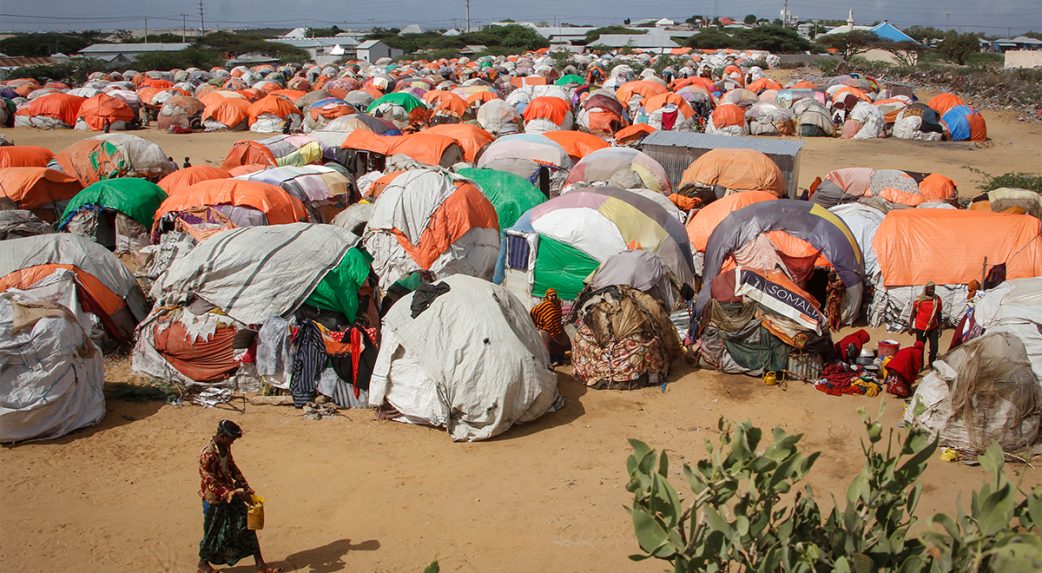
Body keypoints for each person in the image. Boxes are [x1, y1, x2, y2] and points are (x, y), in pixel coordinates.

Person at [198, 420, 280, 573]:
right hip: (215, 500)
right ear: (222, 436)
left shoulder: (224, 447)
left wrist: (246, 487)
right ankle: (203, 564)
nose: (232, 443)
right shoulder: (207, 455)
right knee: (212, 534)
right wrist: (232, 493)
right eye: (231, 439)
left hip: (231, 495)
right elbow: (209, 481)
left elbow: (233, 468)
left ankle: (260, 565)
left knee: (248, 526)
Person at [530, 288, 570, 366]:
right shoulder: (545, 305)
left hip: (557, 328)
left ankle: (560, 360)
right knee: (549, 346)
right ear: (547, 296)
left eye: (554, 295)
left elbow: (558, 315)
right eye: (551, 295)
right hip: (546, 329)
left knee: (559, 345)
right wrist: (539, 322)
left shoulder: (558, 304)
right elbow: (533, 311)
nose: (553, 297)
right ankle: (551, 361)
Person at [910, 282, 942, 367]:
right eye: (930, 289)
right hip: (920, 327)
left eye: (933, 289)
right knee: (920, 348)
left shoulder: (937, 299)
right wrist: (910, 326)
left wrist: (940, 327)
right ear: (926, 290)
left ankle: (932, 364)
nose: (932, 290)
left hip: (933, 327)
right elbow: (913, 313)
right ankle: (920, 365)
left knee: (934, 347)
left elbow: (939, 313)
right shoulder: (919, 300)